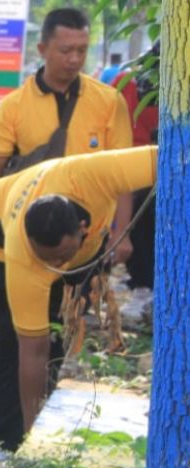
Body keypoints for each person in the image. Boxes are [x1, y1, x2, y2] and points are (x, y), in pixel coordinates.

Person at [0, 146, 156, 451]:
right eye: (49, 261)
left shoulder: (95, 174)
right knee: (9, 340)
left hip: (80, 236)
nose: (55, 267)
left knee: (58, 334)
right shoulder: (25, 258)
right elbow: (32, 351)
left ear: (82, 230)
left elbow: (171, 154)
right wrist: (33, 443)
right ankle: (5, 441)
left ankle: (43, 415)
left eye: (60, 257)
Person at [0, 8, 134, 266]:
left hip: (90, 243)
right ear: (42, 49)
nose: (74, 59)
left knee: (81, 305)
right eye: (65, 51)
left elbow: (123, 174)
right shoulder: (13, 107)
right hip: (30, 240)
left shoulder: (109, 102)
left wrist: (123, 233)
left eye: (81, 51)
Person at [111, 42, 159, 290]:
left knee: (137, 226)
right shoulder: (172, 82)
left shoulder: (125, 79)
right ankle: (144, 283)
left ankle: (143, 282)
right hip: (149, 164)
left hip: (129, 161)